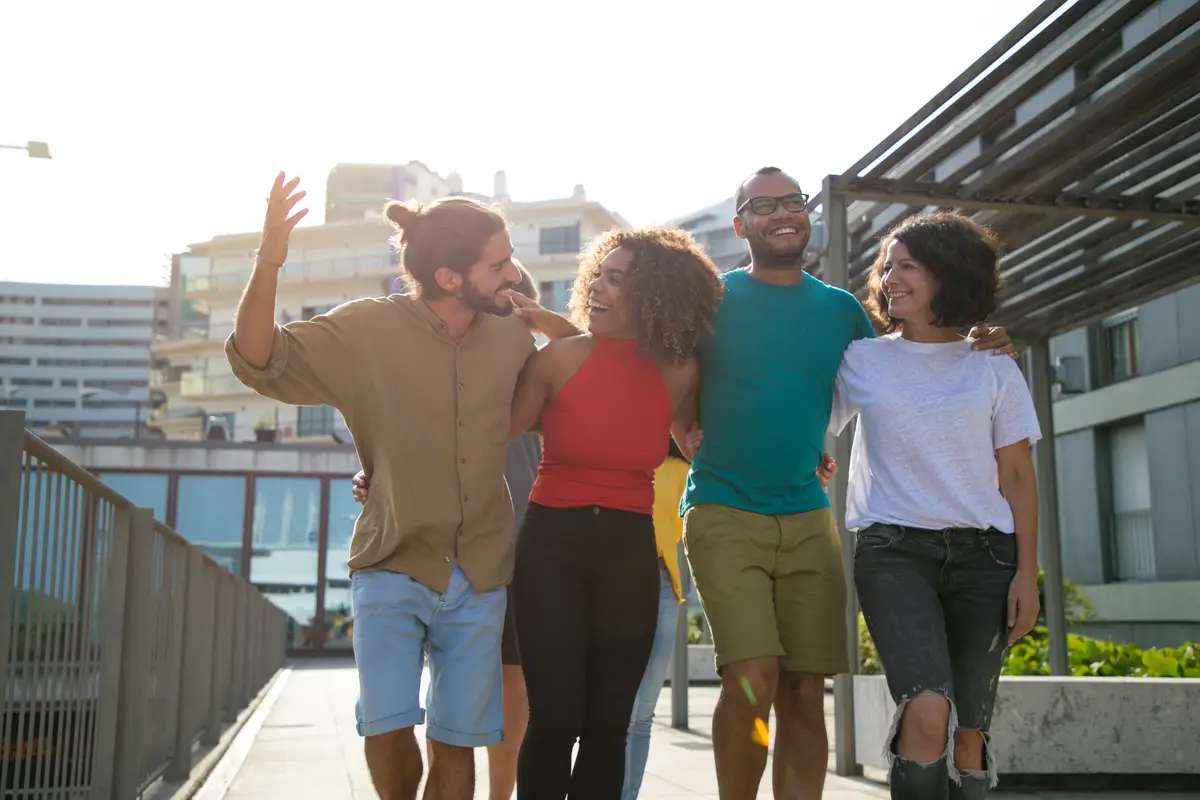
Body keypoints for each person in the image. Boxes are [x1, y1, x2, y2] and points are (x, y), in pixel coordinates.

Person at [225, 173, 580, 800]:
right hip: (393, 561)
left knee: (456, 741)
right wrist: (271, 256)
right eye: (498, 265)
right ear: (449, 277)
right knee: (387, 727)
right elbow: (259, 358)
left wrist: (550, 322)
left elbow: (583, 381)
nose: (513, 275)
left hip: (481, 571)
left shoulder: (511, 335)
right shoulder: (366, 329)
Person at [673, 166, 1015, 800]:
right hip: (723, 508)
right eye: (764, 205)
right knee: (752, 677)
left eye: (793, 201)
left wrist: (978, 337)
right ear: (740, 224)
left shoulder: (842, 311)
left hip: (809, 517)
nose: (783, 213)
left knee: (806, 689)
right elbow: (671, 369)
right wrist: (680, 428)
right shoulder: (710, 300)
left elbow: (905, 363)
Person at [830, 212, 1040, 799]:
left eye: (909, 266)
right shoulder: (863, 359)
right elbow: (808, 421)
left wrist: (1027, 574)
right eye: (887, 266)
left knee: (969, 736)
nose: (890, 278)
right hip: (893, 553)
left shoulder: (993, 365)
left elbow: (1018, 476)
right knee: (926, 714)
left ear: (948, 274)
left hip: (987, 559)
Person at [508, 227, 723, 799]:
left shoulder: (681, 371)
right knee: (556, 719)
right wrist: (380, 473)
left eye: (617, 280)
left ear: (655, 294)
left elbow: (694, 441)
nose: (597, 288)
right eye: (598, 276)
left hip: (630, 551)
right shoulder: (556, 360)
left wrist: (806, 461)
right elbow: (486, 438)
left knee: (609, 728)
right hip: (550, 547)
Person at [350, 261, 543, 800]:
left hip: (510, 545)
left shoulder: (535, 369)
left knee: (504, 685)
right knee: (450, 705)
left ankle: (499, 795)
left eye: (512, 295)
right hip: (430, 548)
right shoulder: (442, 363)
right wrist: (377, 478)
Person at [621, 442, 837, 800]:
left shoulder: (686, 468)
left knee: (641, 715)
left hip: (661, 584)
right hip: (615, 580)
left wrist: (803, 477)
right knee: (623, 715)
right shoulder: (631, 458)